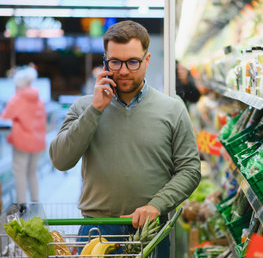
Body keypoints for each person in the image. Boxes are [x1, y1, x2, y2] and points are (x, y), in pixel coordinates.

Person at [49, 20, 201, 256]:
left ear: (147, 60)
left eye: (132, 62)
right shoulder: (83, 107)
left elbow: (190, 169)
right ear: (105, 61)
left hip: (151, 230)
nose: (123, 70)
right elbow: (60, 160)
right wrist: (95, 110)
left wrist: (156, 205)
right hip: (96, 230)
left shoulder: (173, 109)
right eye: (115, 62)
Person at [1, 65, 47, 206]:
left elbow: (5, 116)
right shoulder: (38, 99)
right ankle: (35, 203)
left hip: (22, 142)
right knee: (32, 172)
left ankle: (22, 205)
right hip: (38, 142)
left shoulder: (17, 99)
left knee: (20, 173)